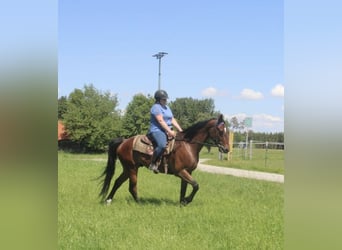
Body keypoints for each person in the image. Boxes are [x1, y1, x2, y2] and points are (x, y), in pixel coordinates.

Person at [148, 89, 183, 173]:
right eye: (164, 99)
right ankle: (152, 163)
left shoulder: (167, 107)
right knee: (162, 145)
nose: (166, 100)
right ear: (158, 99)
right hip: (157, 130)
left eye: (166, 99)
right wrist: (170, 131)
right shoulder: (156, 108)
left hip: (167, 129)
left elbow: (172, 119)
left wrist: (180, 130)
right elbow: (160, 121)